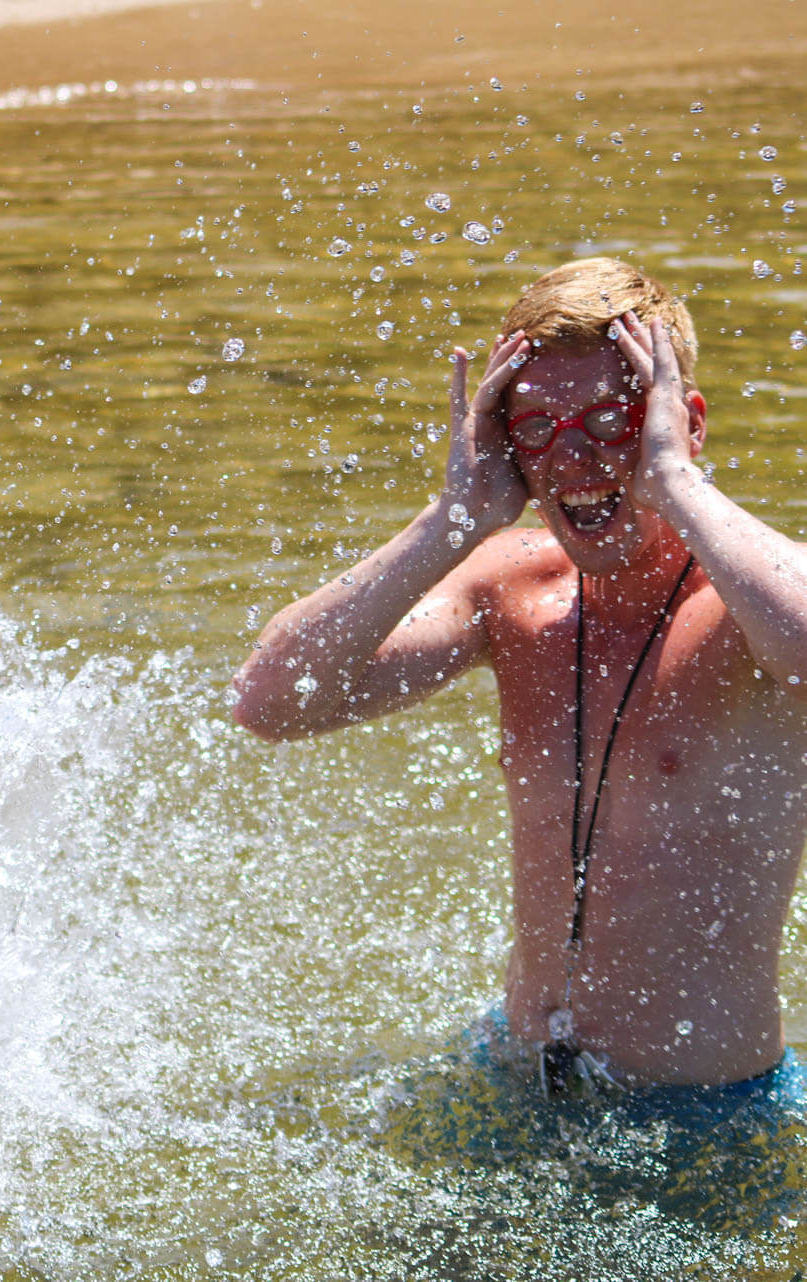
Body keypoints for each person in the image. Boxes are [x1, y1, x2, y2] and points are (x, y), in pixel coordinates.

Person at [234, 258, 807, 1098]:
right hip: (511, 1077)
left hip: (703, 1113)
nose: (572, 459)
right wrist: (450, 522)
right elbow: (271, 701)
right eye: (538, 427)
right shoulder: (512, 592)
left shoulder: (745, 608)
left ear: (683, 423)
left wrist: (677, 481)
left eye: (612, 420)